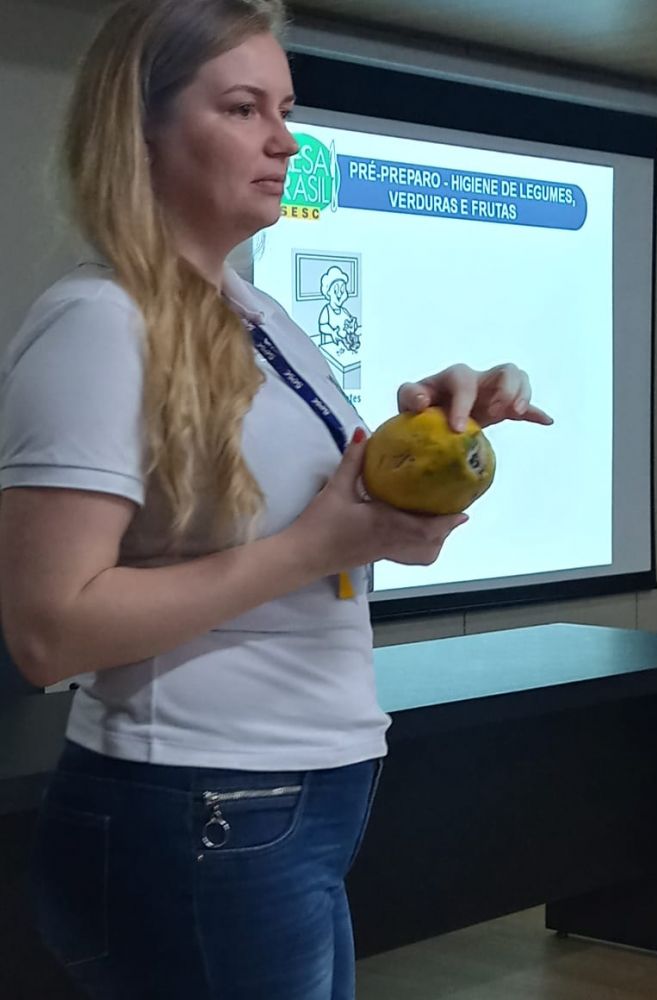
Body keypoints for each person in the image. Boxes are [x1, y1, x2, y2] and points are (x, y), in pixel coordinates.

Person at [0, 1, 553, 998]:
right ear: (140, 131)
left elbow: (338, 533)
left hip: (291, 793)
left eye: (286, 109)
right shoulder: (97, 324)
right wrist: (312, 546)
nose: (286, 140)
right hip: (200, 799)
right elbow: (49, 630)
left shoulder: (257, 315)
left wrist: (442, 435)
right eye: (243, 108)